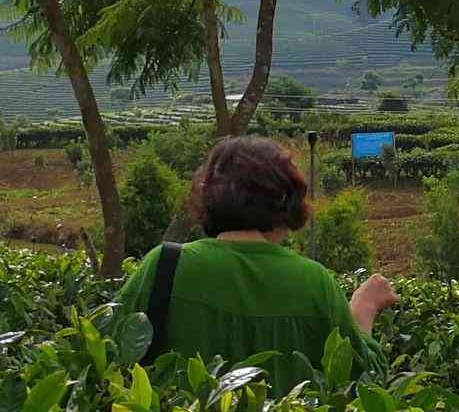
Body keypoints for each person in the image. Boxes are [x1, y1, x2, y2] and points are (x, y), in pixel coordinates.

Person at [113, 135, 396, 387]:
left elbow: (105, 356)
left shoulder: (166, 265)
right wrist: (364, 308)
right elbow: (362, 380)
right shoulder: (314, 282)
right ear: (288, 201)